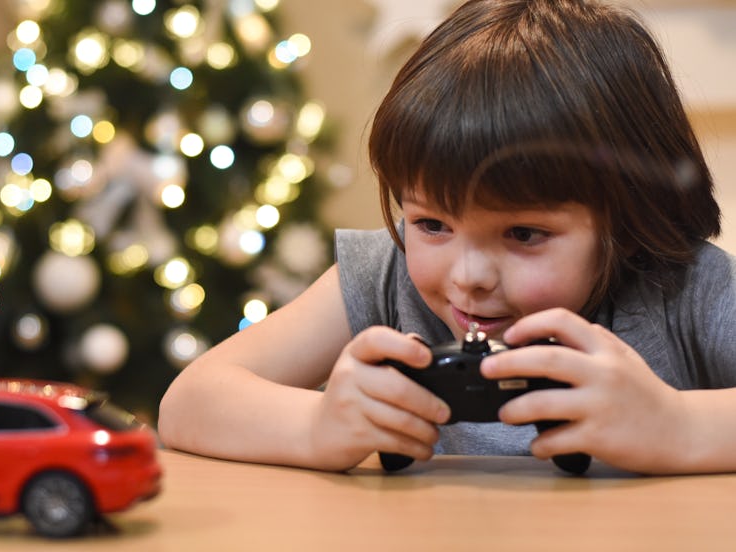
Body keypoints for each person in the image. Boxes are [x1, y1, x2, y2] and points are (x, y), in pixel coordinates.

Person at [158, 0, 736, 474]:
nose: (468, 277)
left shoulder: (684, 292)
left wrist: (679, 427)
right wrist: (314, 427)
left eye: (524, 233)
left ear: (627, 221)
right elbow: (189, 403)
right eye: (433, 224)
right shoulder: (382, 279)